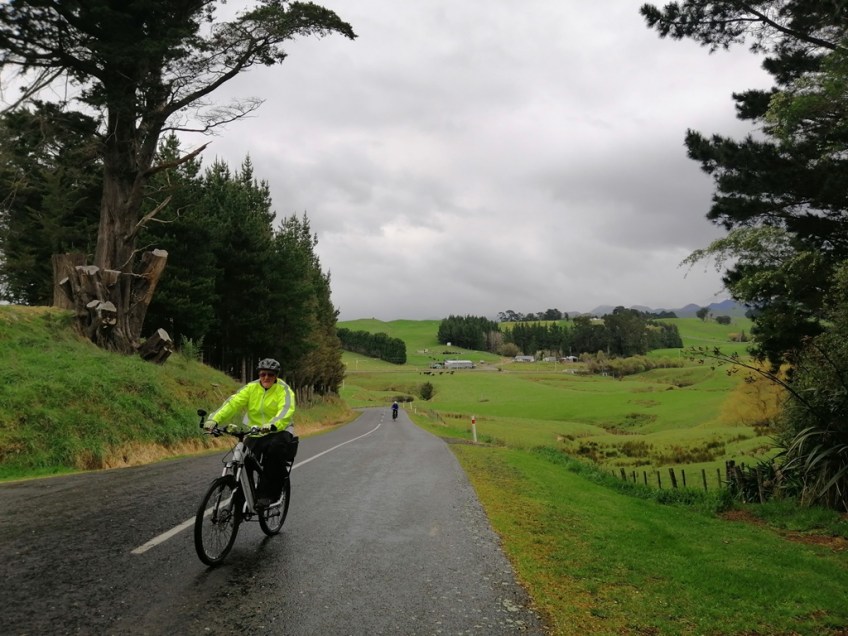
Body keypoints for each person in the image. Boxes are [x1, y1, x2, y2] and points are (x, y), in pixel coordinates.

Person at [206, 358, 297, 508]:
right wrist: (214, 419)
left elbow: (286, 410)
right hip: (255, 431)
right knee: (242, 460)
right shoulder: (251, 388)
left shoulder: (284, 390)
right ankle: (242, 496)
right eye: (263, 374)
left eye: (270, 374)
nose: (266, 377)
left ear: (276, 376)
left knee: (274, 455)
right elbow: (233, 403)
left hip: (279, 430)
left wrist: (273, 425)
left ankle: (267, 494)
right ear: (259, 375)